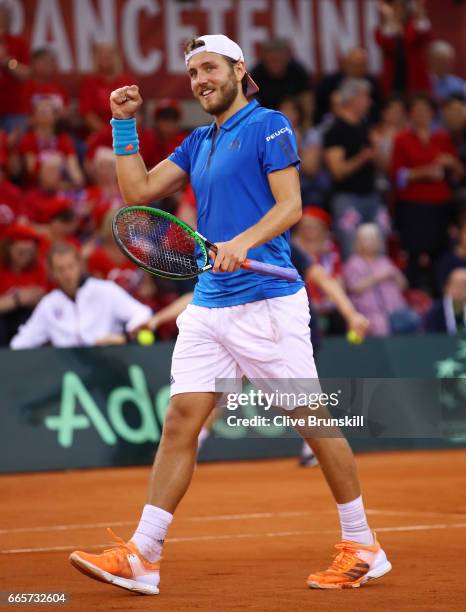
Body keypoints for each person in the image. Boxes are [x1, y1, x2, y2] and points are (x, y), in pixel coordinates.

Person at [69, 34, 391, 594]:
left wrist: (242, 242)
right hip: (210, 303)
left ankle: (363, 543)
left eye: (210, 68)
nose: (200, 81)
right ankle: (144, 555)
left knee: (312, 423)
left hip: (268, 304)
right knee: (181, 420)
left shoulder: (270, 125)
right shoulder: (199, 140)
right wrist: (123, 125)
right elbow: (137, 194)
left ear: (239, 70)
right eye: (193, 73)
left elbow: (290, 206)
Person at [10, 242, 152, 349]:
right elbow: (21, 343)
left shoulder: (105, 290)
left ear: (79, 265)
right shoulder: (49, 304)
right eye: (60, 269)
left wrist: (123, 337)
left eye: (70, 266)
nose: (67, 274)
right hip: (68, 375)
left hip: (107, 363)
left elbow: (143, 313)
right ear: (52, 273)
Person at [391, 93, 464, 293]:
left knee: (441, 252)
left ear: (433, 114)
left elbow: (460, 174)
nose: (421, 114)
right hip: (413, 206)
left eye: (425, 110)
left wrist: (451, 163)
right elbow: (397, 177)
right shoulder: (402, 139)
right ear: (410, 115)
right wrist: (423, 173)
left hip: (440, 204)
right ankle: (415, 294)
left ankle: (441, 293)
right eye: (416, 110)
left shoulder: (442, 138)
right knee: (414, 255)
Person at [323, 78, 390, 258]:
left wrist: (378, 149)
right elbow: (337, 171)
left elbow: (384, 167)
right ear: (353, 99)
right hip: (347, 197)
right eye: (365, 97)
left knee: (380, 244)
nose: (370, 102)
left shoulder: (368, 128)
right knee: (351, 247)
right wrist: (362, 158)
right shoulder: (335, 131)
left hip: (371, 194)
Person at [343, 224, 418, 336]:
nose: (371, 242)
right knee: (380, 325)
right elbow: (354, 288)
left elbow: (404, 285)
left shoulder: (384, 260)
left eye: (374, 238)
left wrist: (395, 275)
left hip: (396, 311)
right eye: (367, 239)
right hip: (369, 314)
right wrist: (379, 277)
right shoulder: (353, 263)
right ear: (358, 242)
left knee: (413, 319)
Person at [17, 99, 83, 187]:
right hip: (38, 189)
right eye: (41, 111)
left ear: (55, 117)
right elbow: (32, 170)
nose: (44, 114)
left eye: (47, 111)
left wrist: (77, 182)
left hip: (63, 186)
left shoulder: (63, 139)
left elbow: (73, 166)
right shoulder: (28, 139)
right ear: (33, 117)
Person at [0, 223, 47, 345]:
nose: (26, 257)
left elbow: (45, 299)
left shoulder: (39, 268)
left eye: (30, 253)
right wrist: (17, 299)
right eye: (21, 252)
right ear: (9, 248)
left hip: (28, 323)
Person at [375, 0, 432, 96]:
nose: (398, 10)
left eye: (401, 7)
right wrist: (390, 20)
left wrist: (420, 11)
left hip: (415, 79)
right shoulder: (383, 28)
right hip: (393, 79)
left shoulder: (414, 25)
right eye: (395, 7)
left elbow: (424, 36)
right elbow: (386, 44)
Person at [314, 47, 381, 125]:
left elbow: (377, 110)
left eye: (362, 64)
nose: (358, 68)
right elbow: (320, 109)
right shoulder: (330, 82)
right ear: (346, 63)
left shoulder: (372, 83)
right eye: (355, 64)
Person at [250, 38, 312, 121]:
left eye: (278, 59)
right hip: (265, 117)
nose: (275, 64)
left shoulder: (297, 71)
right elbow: (249, 101)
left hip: (293, 117)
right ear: (264, 59)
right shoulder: (256, 73)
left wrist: (307, 124)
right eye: (271, 60)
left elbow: (306, 99)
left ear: (286, 58)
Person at [79, 42, 134, 133]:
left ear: (117, 57)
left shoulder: (127, 81)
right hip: (98, 133)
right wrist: (107, 133)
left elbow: (135, 112)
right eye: (101, 54)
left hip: (124, 131)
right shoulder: (90, 82)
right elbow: (87, 114)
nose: (105, 57)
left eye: (109, 54)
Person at [0, 2, 30, 133]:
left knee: (15, 149)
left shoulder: (18, 42)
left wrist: (7, 61)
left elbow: (25, 74)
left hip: (14, 110)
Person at [20, 47, 70, 116]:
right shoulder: (25, 88)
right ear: (33, 63)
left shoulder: (60, 89)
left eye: (52, 61)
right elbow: (22, 116)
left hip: (58, 125)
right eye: (44, 61)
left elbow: (66, 112)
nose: (48, 64)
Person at [424, 268, 466, 334]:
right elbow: (431, 337)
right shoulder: (436, 311)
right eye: (456, 285)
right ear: (447, 287)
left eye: (463, 286)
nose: (459, 289)